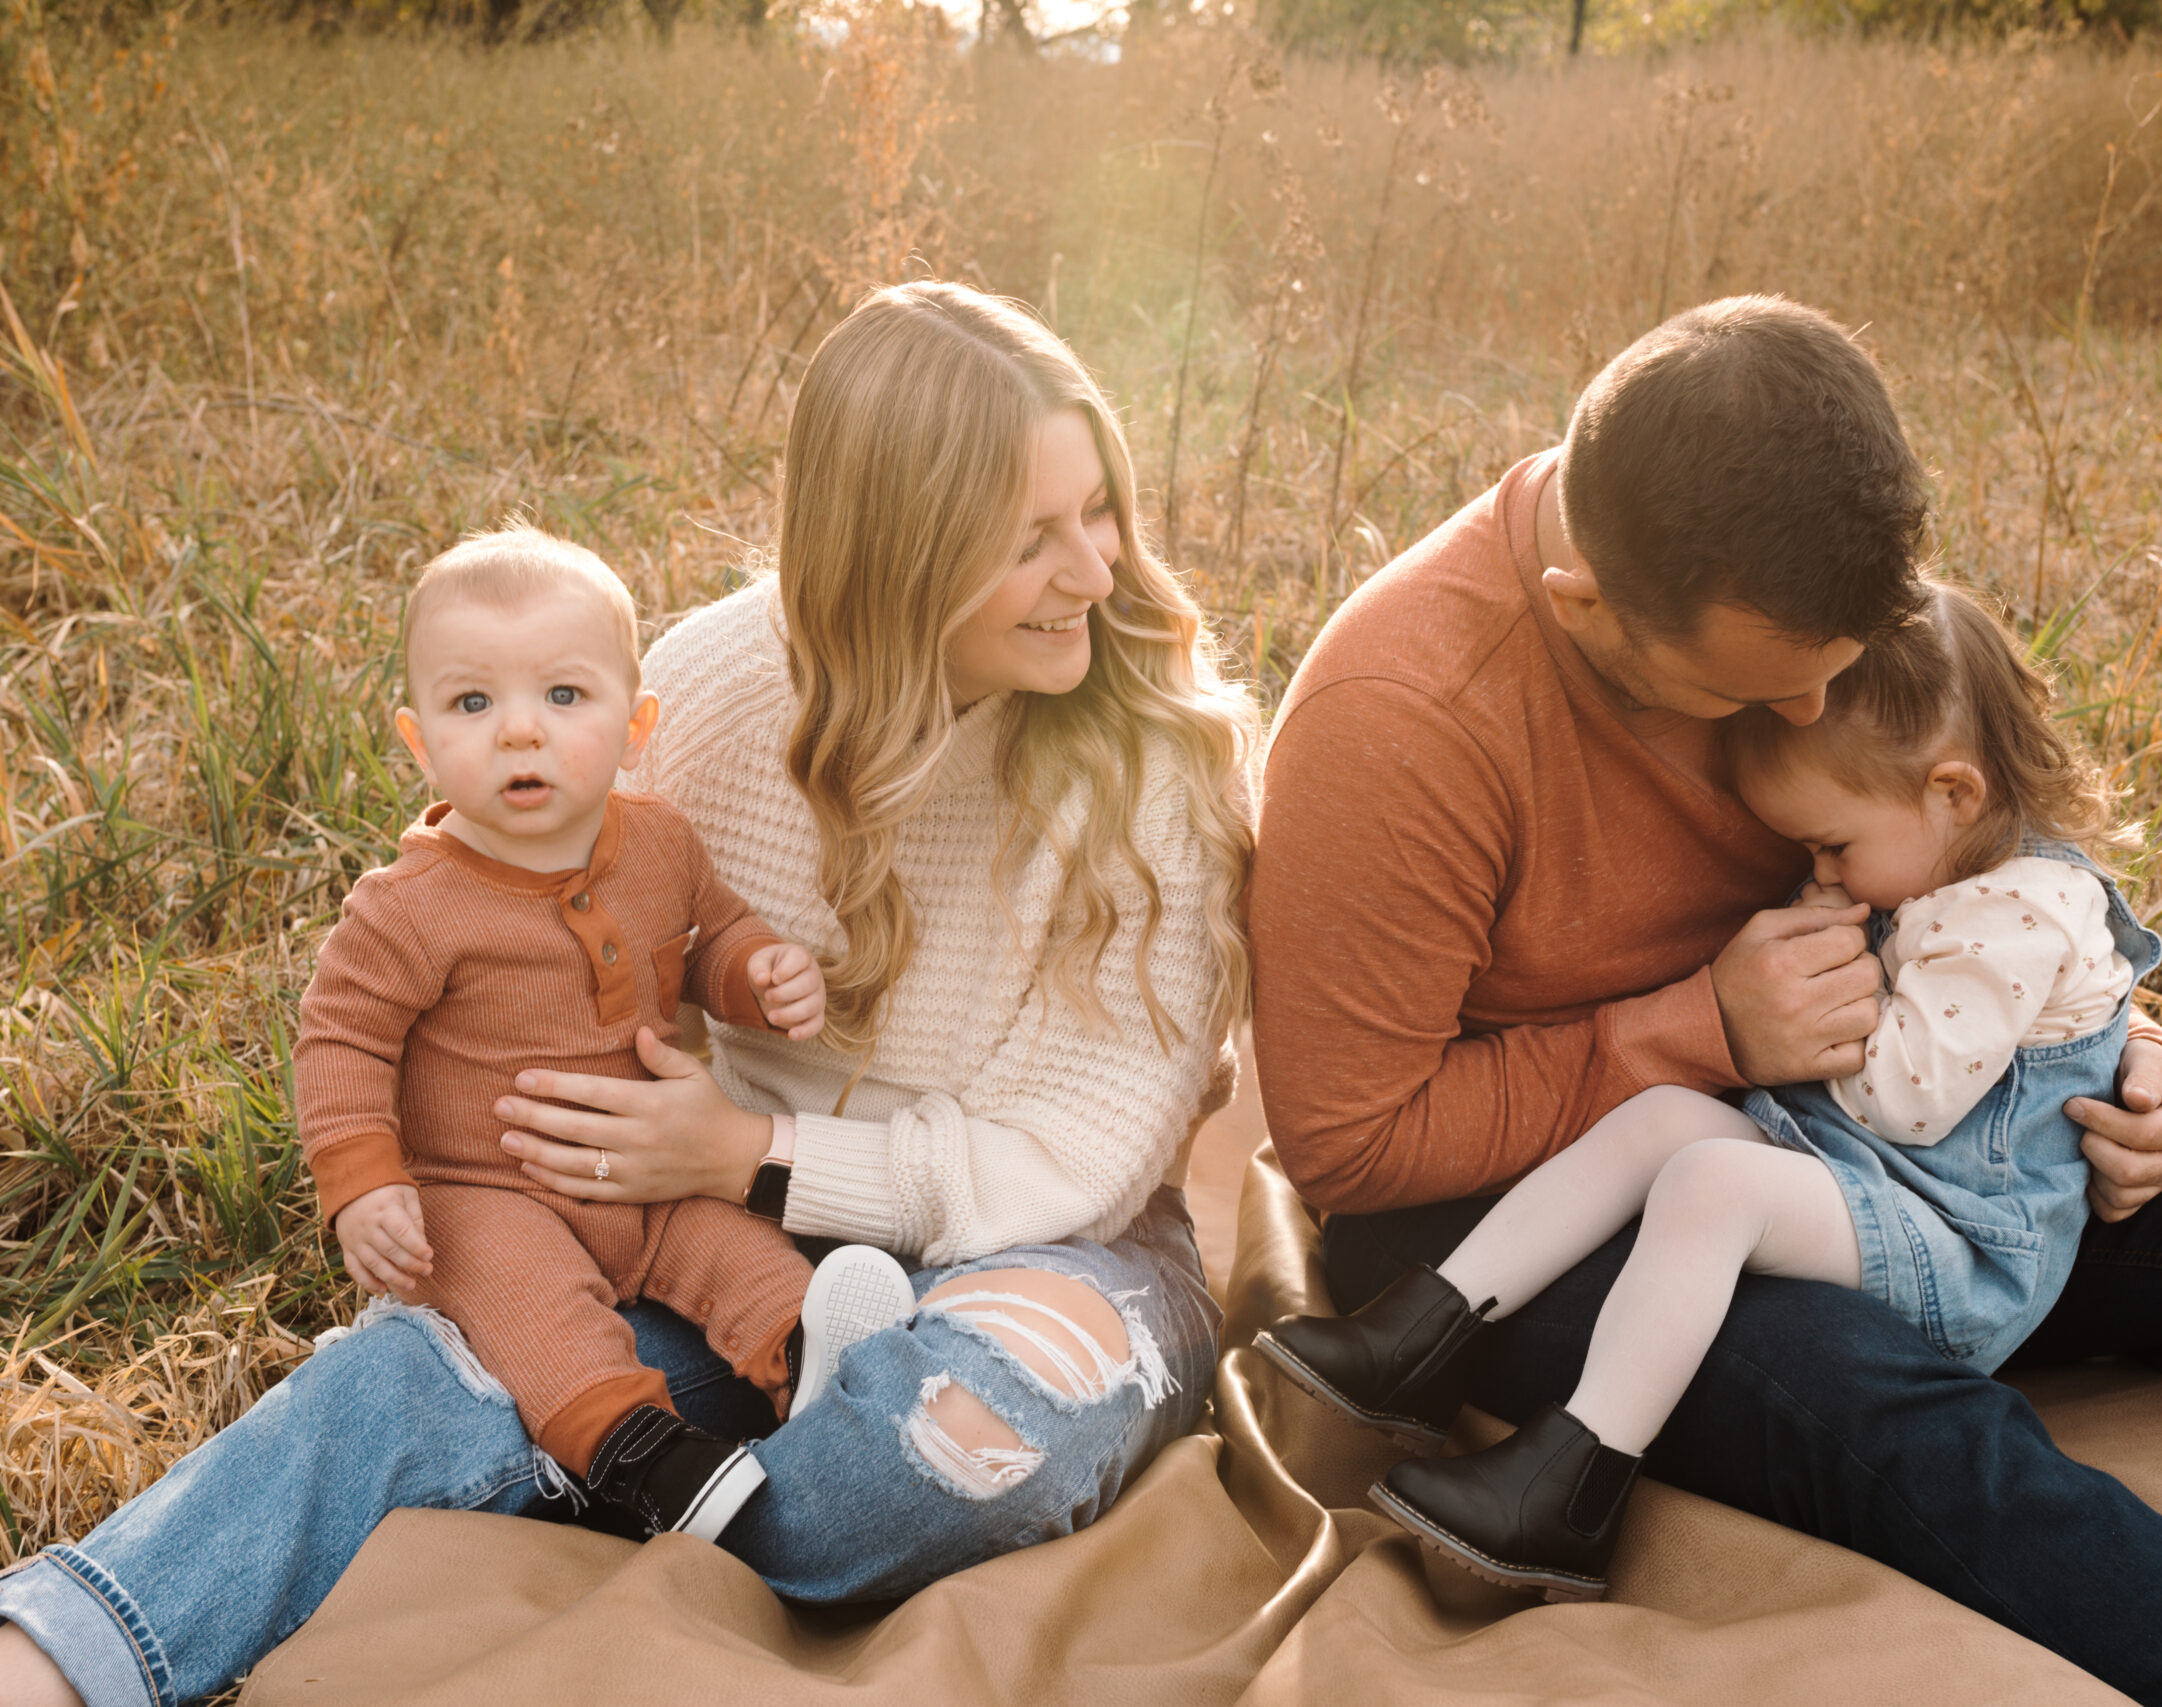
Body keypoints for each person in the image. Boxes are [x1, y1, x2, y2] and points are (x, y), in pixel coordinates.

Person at [1249, 293, 2162, 1705]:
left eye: (1830, 672)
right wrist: (1694, 1028)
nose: (1810, 716)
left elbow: (1975, 872)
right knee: (1883, 1401)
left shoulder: (1792, 588)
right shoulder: (1404, 719)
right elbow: (1351, 1147)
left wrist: (2126, 1062)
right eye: (1760, 695)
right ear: (1588, 611)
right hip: (1525, 1202)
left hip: (1865, 1136)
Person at [0, 280, 1257, 1707]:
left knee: (947, 1452)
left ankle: (651, 1478)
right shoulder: (716, 683)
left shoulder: (1153, 766)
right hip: (704, 1223)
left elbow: (1083, 1157)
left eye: (1101, 511)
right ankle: (59, 1650)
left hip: (1049, 1241)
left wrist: (757, 1148)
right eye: (1034, 540)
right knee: (428, 1371)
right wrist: (507, 1176)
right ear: (898, 557)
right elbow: (517, 902)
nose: (1097, 569)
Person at [1258, 583, 2162, 1600]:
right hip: (1861, 1178)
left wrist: (1807, 1002)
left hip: (1956, 1244)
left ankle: (1570, 1486)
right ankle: (1420, 1338)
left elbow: (1904, 1104)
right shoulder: (1938, 861)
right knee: (1663, 1117)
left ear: (1952, 794)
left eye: (1831, 845)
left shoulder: (2017, 914)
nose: (1821, 869)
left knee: (1709, 1185)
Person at [302, 527, 919, 1545]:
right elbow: (341, 1042)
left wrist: (760, 975)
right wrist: (366, 1181)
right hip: (483, 1188)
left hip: (647, 1176)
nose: (518, 734)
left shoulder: (663, 841)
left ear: (635, 726)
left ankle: (818, 1364)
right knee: (537, 1313)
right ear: (418, 741)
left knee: (741, 1255)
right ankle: (644, 1457)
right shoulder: (408, 908)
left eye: (563, 697)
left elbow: (710, 932)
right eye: (473, 704)